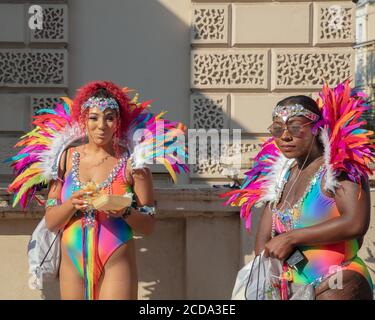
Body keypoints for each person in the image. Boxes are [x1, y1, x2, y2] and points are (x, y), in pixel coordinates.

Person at [6, 80, 188, 300]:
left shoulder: (134, 164)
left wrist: (124, 211)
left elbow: (148, 226)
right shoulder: (63, 158)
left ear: (118, 121)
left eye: (109, 118)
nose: (101, 125)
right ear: (84, 119)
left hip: (115, 260)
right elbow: (52, 221)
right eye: (94, 118)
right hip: (72, 261)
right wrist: (71, 204)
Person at [223, 81, 374, 299]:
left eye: (295, 127)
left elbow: (355, 223)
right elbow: (265, 239)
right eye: (277, 129)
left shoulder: (339, 168)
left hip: (339, 282)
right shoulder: (280, 177)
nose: (285, 136)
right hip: (291, 289)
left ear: (316, 129)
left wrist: (292, 238)